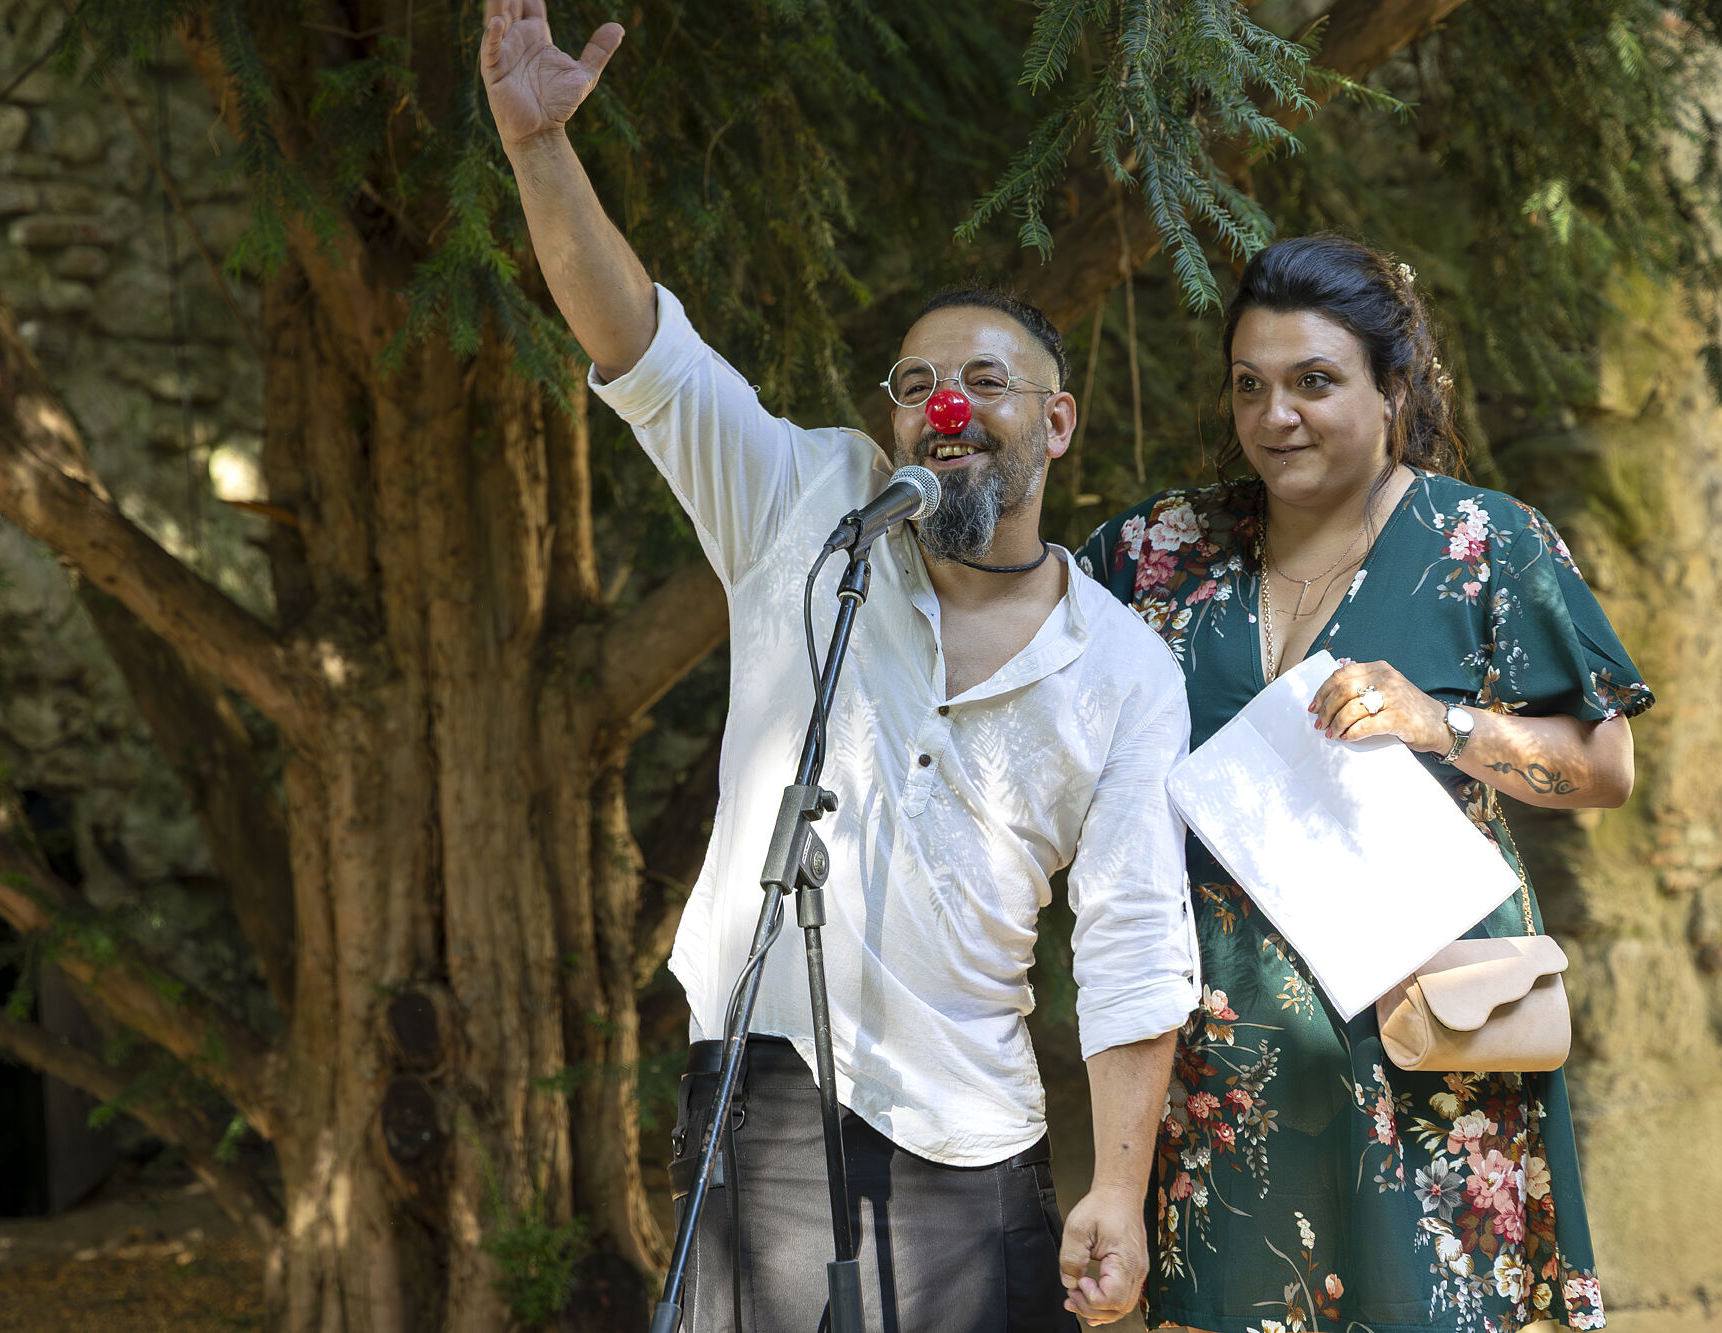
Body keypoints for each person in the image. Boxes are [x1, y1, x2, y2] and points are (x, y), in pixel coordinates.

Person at [481, 4, 1202, 1328]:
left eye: (983, 380)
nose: (943, 403)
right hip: (759, 1102)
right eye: (915, 382)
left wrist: (1115, 1186)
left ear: (1056, 421)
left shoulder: (1124, 671)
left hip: (971, 1139)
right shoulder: (806, 507)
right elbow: (643, 351)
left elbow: (1134, 947)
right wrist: (539, 152)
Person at [1076, 234, 1652, 1333]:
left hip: (1431, 1047)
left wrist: (1444, 723)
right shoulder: (1153, 553)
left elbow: (1603, 766)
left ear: (1393, 389)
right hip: (1223, 1071)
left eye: (1312, 381)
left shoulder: (1482, 542)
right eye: (1249, 385)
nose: (1275, 415)